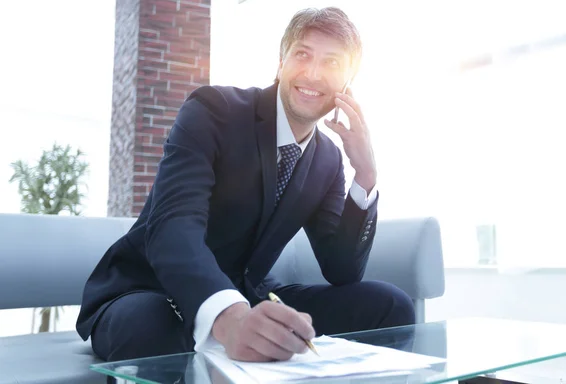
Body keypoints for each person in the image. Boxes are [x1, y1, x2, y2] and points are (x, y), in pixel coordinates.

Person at [76, 6, 415, 363]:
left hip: (249, 294)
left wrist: (366, 175)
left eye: (332, 63)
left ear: (347, 84)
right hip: (149, 289)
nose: (313, 73)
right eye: (302, 54)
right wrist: (230, 315)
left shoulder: (328, 158)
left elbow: (341, 269)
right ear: (281, 62)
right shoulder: (213, 110)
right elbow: (173, 228)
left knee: (389, 306)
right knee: (153, 325)